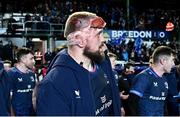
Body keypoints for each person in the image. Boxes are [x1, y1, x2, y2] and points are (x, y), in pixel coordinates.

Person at [36, 11, 121, 116]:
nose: (103, 39)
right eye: (98, 34)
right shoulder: (54, 85)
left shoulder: (103, 61)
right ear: (79, 39)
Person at [128, 46, 175, 116]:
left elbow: (163, 104)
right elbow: (132, 104)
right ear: (163, 61)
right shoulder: (143, 77)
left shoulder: (164, 79)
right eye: (172, 60)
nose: (173, 64)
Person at [7, 48, 36, 116]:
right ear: (23, 59)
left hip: (31, 113)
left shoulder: (32, 74)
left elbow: (34, 95)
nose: (34, 61)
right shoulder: (11, 74)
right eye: (31, 59)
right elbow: (8, 97)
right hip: (17, 113)